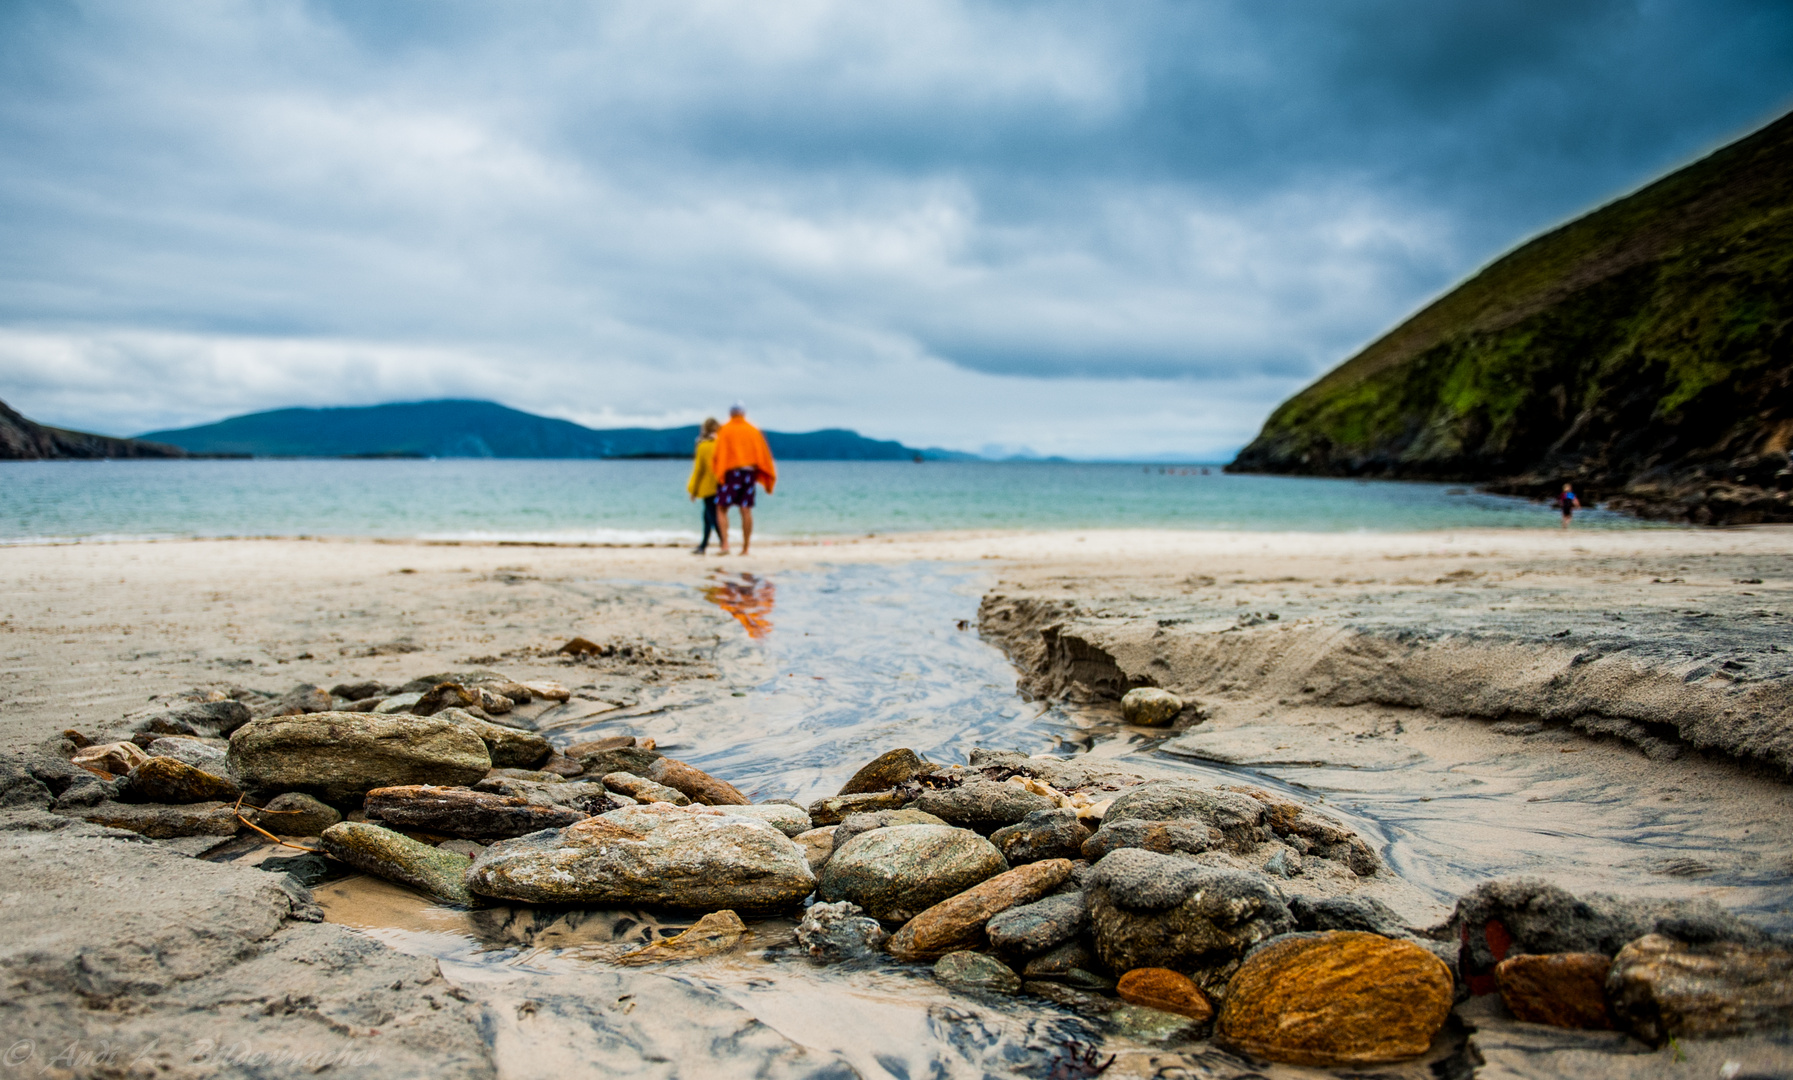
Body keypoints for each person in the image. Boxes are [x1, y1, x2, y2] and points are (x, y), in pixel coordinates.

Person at [710, 402, 777, 556]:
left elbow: (719, 454)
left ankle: (725, 545)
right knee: (745, 509)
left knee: (721, 508)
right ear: (743, 413)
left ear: (731, 414)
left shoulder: (725, 430)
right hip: (749, 473)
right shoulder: (753, 430)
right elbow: (763, 454)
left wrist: (718, 471)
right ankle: (745, 548)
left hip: (731, 473)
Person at [686, 417, 723, 555]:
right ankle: (704, 545)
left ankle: (722, 543)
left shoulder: (703, 446)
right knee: (709, 516)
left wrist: (693, 490)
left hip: (708, 487)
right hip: (721, 484)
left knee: (711, 516)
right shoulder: (721, 444)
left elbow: (698, 470)